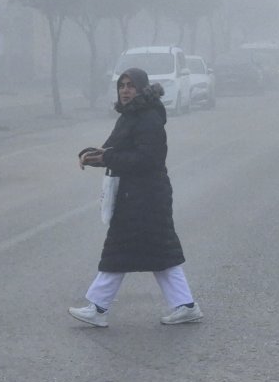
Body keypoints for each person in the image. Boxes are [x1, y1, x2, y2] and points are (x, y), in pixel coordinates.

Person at [70, 67, 203, 327]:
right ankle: (185, 305)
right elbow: (113, 150)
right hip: (136, 195)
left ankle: (98, 308)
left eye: (131, 85)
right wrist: (93, 155)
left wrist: (107, 157)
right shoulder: (130, 116)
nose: (125, 90)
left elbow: (147, 159)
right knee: (160, 253)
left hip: (146, 197)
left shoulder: (148, 119)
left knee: (120, 250)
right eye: (122, 85)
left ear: (141, 88)